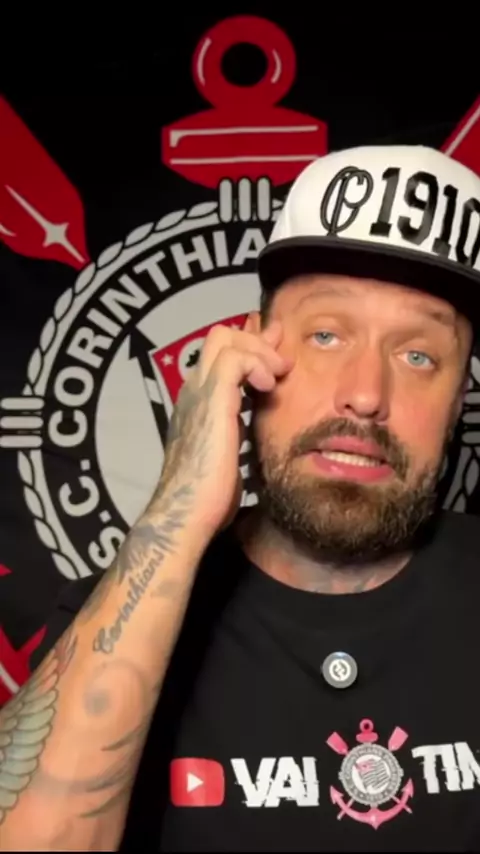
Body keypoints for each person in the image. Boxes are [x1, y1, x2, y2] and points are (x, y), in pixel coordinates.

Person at [1, 143, 480, 853]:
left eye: (418, 355)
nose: (366, 395)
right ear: (247, 354)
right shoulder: (127, 608)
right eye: (326, 334)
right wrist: (177, 511)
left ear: (459, 399)